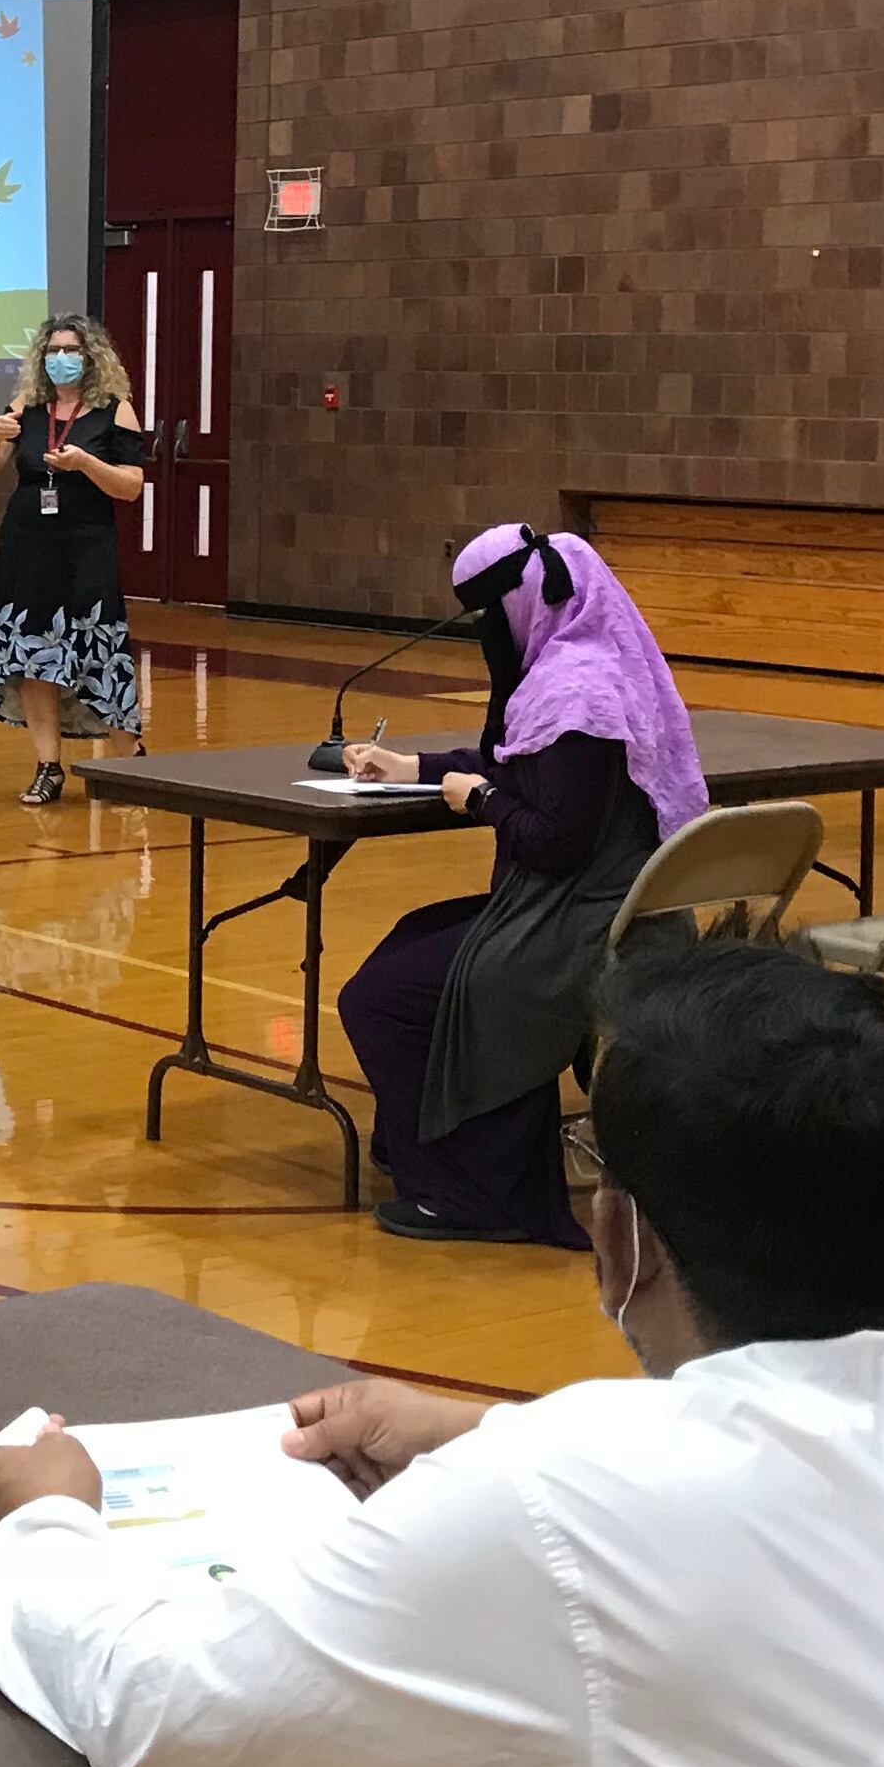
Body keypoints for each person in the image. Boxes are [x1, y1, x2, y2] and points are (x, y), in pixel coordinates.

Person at [0, 941, 884, 1767]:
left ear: (619, 1238)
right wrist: (483, 1436)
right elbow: (782, 1485)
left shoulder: (572, 1500)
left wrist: (45, 1522)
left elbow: (171, 1716)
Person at [333, 523, 706, 1246]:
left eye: (484, 615)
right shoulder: (596, 666)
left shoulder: (575, 695)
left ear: (520, 602)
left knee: (381, 1000)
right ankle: (420, 1147)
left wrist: (477, 801)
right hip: (604, 903)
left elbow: (553, 840)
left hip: (579, 921)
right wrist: (412, 767)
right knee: (413, 939)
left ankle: (473, 1195)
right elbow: (524, 764)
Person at [0, 313, 149, 805]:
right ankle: (48, 765)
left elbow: (131, 486)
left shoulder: (115, 410)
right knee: (33, 657)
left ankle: (128, 760)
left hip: (86, 546)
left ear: (90, 358)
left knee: (100, 650)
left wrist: (85, 463)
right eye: (52, 352)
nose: (61, 360)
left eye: (70, 351)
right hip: (28, 545)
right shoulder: (26, 406)